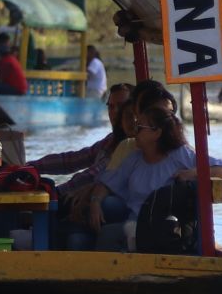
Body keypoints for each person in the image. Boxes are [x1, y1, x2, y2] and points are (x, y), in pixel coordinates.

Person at [83, 107, 199, 249]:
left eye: (139, 127)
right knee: (103, 230)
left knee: (108, 235)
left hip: (167, 227)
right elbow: (107, 184)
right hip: (135, 224)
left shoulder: (181, 154)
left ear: (156, 132)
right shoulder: (135, 158)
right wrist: (95, 202)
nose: (134, 131)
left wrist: (192, 173)